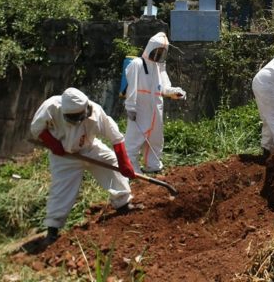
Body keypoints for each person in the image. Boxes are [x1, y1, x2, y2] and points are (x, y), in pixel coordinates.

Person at [30, 87, 136, 245]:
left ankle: (123, 203)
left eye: (79, 116)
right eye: (72, 117)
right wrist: (53, 144)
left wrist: (124, 162)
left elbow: (115, 137)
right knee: (61, 190)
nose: (77, 120)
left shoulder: (96, 112)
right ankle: (53, 229)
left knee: (110, 161)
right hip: (64, 155)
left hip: (90, 148)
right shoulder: (51, 106)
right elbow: (36, 128)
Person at [124, 32, 186, 173]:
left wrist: (175, 92)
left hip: (156, 107)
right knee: (134, 138)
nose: (158, 54)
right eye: (156, 51)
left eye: (161, 52)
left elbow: (164, 88)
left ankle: (152, 165)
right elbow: (132, 87)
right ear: (150, 48)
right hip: (140, 108)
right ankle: (130, 168)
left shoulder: (159, 67)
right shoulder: (137, 64)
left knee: (156, 139)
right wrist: (130, 107)